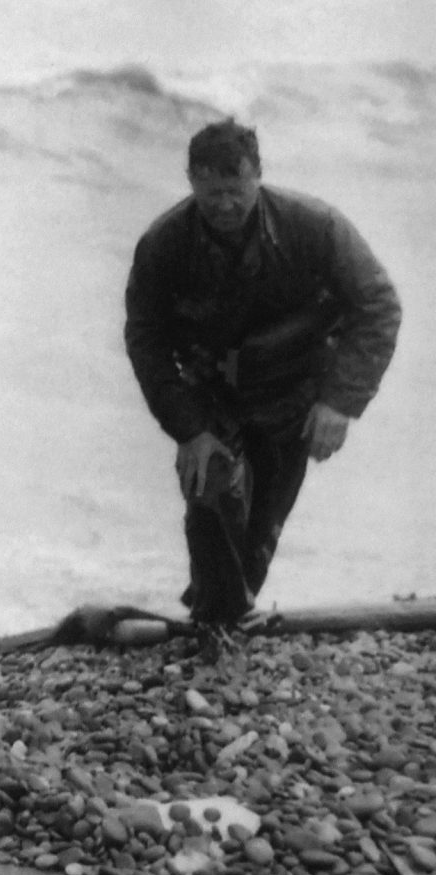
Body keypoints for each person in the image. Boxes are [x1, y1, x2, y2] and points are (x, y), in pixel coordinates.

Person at [124, 119, 401, 656]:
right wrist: (188, 428)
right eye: (210, 193)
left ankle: (225, 613)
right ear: (190, 181)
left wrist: (341, 403)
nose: (224, 204)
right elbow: (145, 340)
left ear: (258, 176)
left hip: (296, 388)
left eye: (236, 190)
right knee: (211, 491)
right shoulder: (163, 244)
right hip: (213, 390)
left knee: (261, 528)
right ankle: (217, 621)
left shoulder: (315, 227)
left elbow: (379, 306)